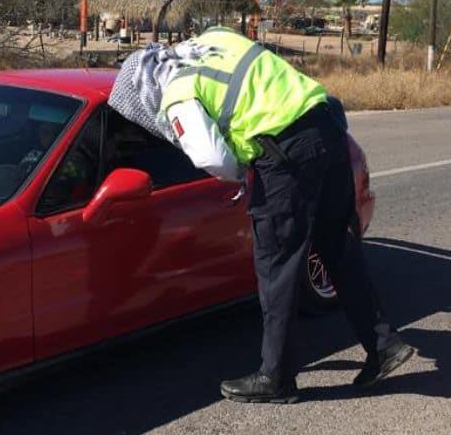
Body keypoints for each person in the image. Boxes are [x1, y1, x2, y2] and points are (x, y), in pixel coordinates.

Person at [106, 27, 414, 403]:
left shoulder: (178, 92)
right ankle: (383, 345)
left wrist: (244, 173)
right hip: (326, 130)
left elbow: (210, 157)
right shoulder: (216, 38)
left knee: (277, 267)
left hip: (284, 155)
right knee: (336, 248)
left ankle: (276, 377)